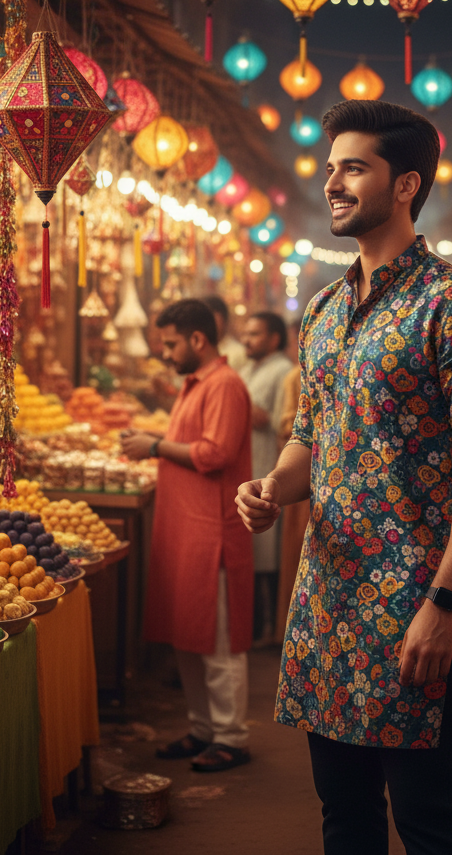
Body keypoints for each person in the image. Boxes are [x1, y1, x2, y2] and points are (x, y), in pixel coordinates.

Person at [236, 99, 452, 855]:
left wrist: (447, 603)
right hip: (326, 607)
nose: (333, 182)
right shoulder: (323, 311)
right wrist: (271, 489)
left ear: (405, 184)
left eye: (353, 167)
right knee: (345, 819)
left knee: (428, 820)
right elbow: (312, 437)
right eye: (331, 168)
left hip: (413, 612)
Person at [123, 299, 254, 772]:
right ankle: (203, 729)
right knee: (187, 636)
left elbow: (214, 452)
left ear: (198, 340)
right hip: (184, 531)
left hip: (210, 534)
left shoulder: (224, 385)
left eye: (172, 343)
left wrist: (154, 445)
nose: (167, 352)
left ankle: (231, 736)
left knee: (217, 642)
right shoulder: (194, 384)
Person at [239, 311, 294, 643]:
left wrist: (233, 399)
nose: (247, 340)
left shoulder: (284, 372)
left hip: (272, 468)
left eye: (255, 334)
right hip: (249, 467)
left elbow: (278, 424)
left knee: (269, 553)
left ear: (274, 339)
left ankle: (272, 628)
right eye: (245, 333)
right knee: (256, 551)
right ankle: (259, 625)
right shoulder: (250, 369)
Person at [272, 361, 308, 644]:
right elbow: (299, 432)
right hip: (304, 480)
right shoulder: (297, 375)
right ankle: (289, 632)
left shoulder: (293, 375)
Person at [202, 294, 248, 372]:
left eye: (212, 320)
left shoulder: (238, 353)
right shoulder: (200, 351)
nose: (207, 325)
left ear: (224, 320)